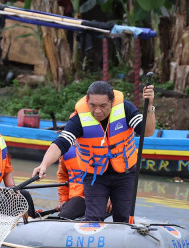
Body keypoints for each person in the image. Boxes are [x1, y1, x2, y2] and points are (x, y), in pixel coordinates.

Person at [32, 80, 155, 222]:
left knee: (123, 218)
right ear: (87, 101)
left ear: (112, 102)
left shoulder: (125, 109)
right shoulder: (79, 118)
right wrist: (43, 165)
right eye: (93, 105)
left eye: (103, 106)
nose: (97, 111)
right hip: (95, 176)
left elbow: (147, 131)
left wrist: (150, 106)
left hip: (125, 174)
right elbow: (61, 143)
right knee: (93, 218)